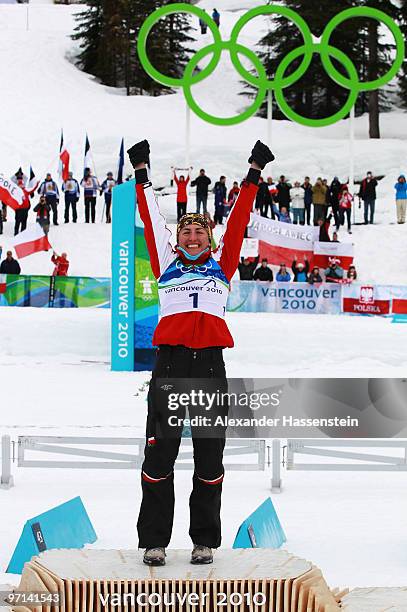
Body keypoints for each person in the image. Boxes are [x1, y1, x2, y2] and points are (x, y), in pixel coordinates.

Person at [127, 138, 274, 567]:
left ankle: (203, 540)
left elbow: (241, 215)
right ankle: (154, 541)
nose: (192, 235)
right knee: (160, 456)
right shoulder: (166, 262)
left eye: (200, 231)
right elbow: (151, 217)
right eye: (186, 231)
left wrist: (254, 171)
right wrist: (141, 169)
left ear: (210, 238)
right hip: (170, 365)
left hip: (210, 365)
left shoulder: (222, 265)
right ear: (179, 238)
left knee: (210, 459)